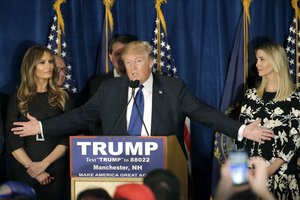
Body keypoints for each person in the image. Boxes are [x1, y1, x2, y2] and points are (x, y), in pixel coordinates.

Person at [11, 41, 274, 156]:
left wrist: (241, 129)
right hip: (119, 169)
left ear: (151, 62)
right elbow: (80, 116)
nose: (133, 68)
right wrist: (42, 126)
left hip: (162, 169)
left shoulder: (172, 88)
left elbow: (203, 112)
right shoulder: (111, 89)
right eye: (127, 63)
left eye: (138, 61)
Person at [5, 45, 74, 200]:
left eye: (50, 62)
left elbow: (66, 139)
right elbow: (13, 140)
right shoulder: (17, 97)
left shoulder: (64, 97)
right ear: (31, 66)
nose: (49, 66)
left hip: (54, 169)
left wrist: (44, 165)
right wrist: (32, 167)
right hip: (24, 170)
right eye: (42, 62)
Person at [238, 42, 300, 199]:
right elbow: (239, 136)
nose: (257, 64)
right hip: (250, 174)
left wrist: (271, 169)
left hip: (282, 176)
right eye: (257, 59)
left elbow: (295, 139)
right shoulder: (251, 95)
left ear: (276, 61)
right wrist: (239, 174)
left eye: (261, 59)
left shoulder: (294, 97)